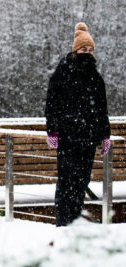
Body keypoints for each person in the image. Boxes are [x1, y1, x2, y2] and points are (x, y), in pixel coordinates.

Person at [45, 22, 111, 227]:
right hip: (67, 137)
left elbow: (102, 109)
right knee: (66, 181)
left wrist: (105, 135)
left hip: (88, 138)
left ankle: (75, 222)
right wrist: (52, 130)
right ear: (75, 50)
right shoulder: (62, 74)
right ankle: (63, 222)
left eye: (90, 50)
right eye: (84, 49)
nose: (87, 53)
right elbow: (52, 104)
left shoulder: (95, 78)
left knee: (82, 181)